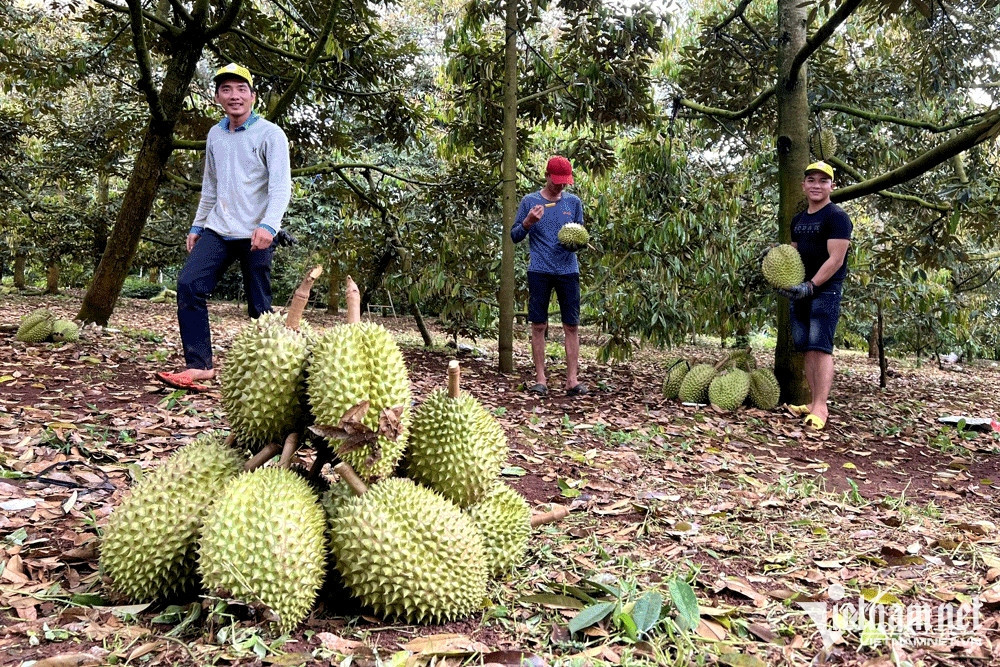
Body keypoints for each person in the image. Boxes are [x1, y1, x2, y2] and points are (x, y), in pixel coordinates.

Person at [156, 63, 292, 392]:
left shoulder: (271, 135)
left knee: (260, 305)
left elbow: (280, 187)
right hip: (218, 229)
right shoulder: (216, 135)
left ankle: (271, 374)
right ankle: (199, 366)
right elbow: (211, 187)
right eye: (226, 90)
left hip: (256, 233)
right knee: (189, 284)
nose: (234, 96)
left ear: (253, 96)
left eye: (241, 89)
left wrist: (269, 226)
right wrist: (198, 225)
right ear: (218, 97)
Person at [779, 161, 852, 430]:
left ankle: (821, 407)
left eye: (823, 181)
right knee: (807, 348)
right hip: (801, 291)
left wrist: (811, 285)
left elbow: (836, 259)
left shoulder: (837, 217)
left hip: (825, 291)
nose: (816, 185)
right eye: (811, 180)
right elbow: (793, 256)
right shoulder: (798, 220)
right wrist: (778, 262)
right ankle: (812, 402)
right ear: (803, 185)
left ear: (832, 186)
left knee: (820, 348)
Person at [511, 155, 588, 397]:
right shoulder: (530, 201)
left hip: (568, 270)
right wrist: (527, 222)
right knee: (539, 325)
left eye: (565, 182)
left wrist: (576, 244)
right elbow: (514, 236)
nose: (561, 186)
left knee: (571, 325)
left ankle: (572, 380)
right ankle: (541, 379)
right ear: (546, 176)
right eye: (557, 182)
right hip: (540, 270)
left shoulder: (573, 203)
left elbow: (580, 235)